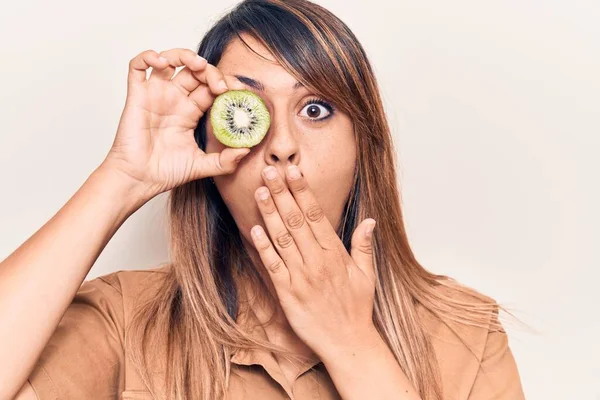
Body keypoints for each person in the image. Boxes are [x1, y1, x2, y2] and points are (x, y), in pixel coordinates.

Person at [0, 0, 526, 399]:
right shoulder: (124, 319)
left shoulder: (465, 331)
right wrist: (124, 176)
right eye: (247, 106)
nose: (282, 147)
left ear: (363, 145)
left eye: (316, 109)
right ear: (208, 141)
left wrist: (351, 344)